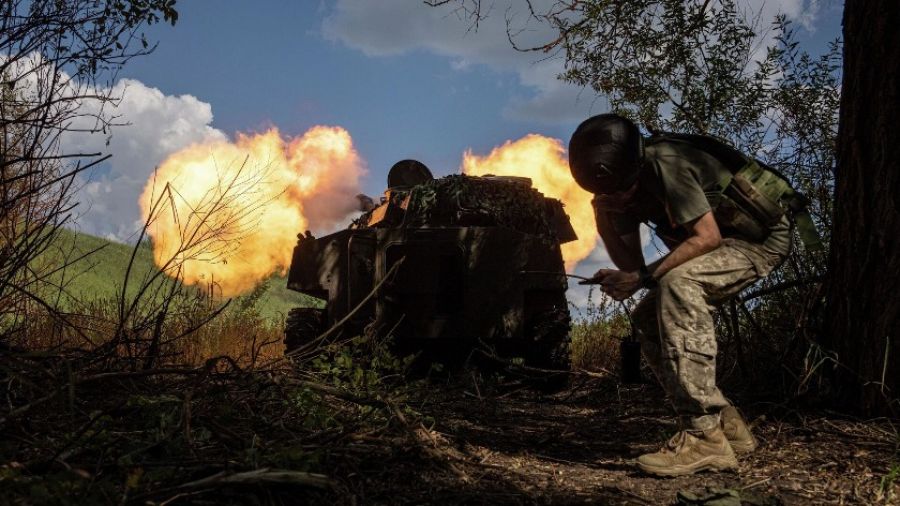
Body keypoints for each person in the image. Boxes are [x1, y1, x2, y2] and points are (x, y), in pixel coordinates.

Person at [568, 114, 797, 477]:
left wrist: (642, 277)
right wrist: (605, 219)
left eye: (617, 191)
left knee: (679, 285)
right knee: (646, 314)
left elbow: (708, 238)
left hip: (758, 242)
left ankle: (703, 436)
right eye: (603, 193)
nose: (612, 197)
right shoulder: (614, 193)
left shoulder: (666, 165)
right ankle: (728, 427)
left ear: (634, 168)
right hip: (720, 243)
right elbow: (631, 264)